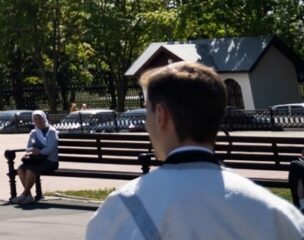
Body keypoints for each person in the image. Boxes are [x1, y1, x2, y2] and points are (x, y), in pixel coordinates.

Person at [86, 61, 304, 238]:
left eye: (147, 113)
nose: (146, 124)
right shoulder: (276, 212)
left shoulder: (123, 208)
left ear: (161, 115)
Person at [13, 110, 57, 203]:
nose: (38, 121)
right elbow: (28, 147)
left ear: (44, 119)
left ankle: (25, 194)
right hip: (36, 160)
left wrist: (39, 152)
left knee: (30, 170)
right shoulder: (34, 132)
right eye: (35, 119)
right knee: (20, 169)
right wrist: (32, 150)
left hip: (50, 161)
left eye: (40, 119)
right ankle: (28, 195)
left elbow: (51, 147)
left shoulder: (52, 131)